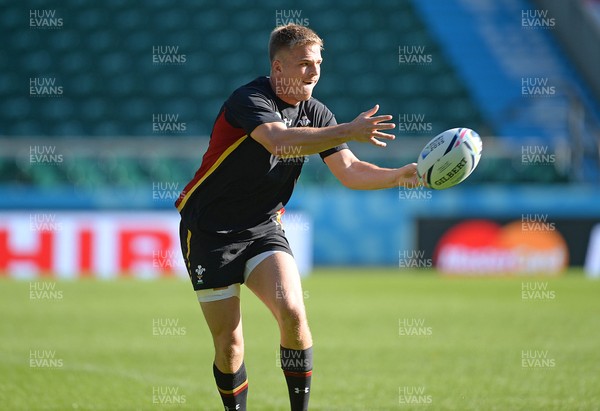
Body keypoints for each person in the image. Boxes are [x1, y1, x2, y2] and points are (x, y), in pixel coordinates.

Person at [175, 23, 419, 411]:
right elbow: (280, 141)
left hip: (263, 227)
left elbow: (350, 170)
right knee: (230, 343)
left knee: (292, 312)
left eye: (318, 63)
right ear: (278, 68)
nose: (314, 71)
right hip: (209, 231)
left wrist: (398, 176)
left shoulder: (317, 112)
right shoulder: (249, 99)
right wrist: (350, 130)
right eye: (305, 64)